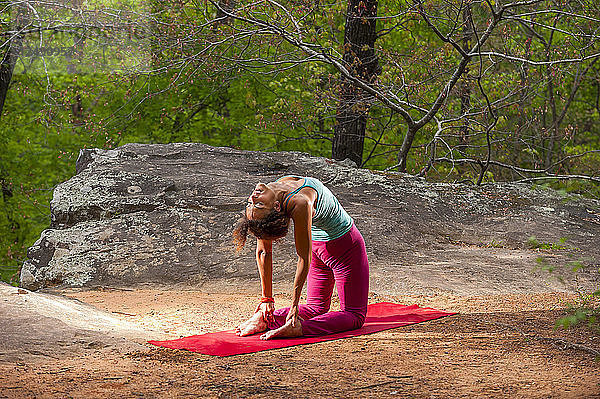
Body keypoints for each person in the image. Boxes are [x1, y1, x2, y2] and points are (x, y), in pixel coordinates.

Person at [232, 175, 369, 340]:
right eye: (258, 204)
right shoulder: (300, 202)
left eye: (253, 203)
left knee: (315, 308)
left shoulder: (278, 189)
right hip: (346, 248)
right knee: (354, 315)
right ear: (276, 206)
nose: (253, 198)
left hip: (319, 249)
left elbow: (302, 256)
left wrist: (292, 305)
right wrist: (267, 299)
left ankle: (267, 321)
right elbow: (267, 252)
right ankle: (288, 325)